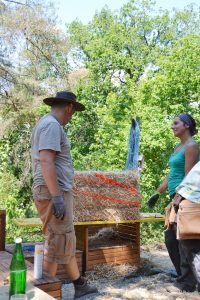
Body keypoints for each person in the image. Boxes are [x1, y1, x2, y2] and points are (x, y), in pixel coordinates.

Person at [31, 91, 98, 299]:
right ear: (69, 107)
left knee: (63, 237)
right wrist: (57, 197)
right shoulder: (52, 125)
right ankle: (45, 292)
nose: (72, 116)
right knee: (56, 240)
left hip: (54, 190)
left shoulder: (47, 123)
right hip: (53, 192)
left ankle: (79, 284)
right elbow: (46, 161)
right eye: (73, 112)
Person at [148, 113, 199, 292]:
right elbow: (172, 173)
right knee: (171, 238)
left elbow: (189, 176)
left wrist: (179, 197)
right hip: (175, 196)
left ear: (186, 125)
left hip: (186, 197)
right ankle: (183, 276)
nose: (172, 126)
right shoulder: (179, 147)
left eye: (176, 123)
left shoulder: (191, 146)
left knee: (182, 239)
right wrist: (157, 192)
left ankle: (188, 282)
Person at [175, 161, 200, 290]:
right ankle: (187, 283)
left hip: (194, 206)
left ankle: (187, 283)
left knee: (193, 249)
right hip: (190, 204)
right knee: (186, 246)